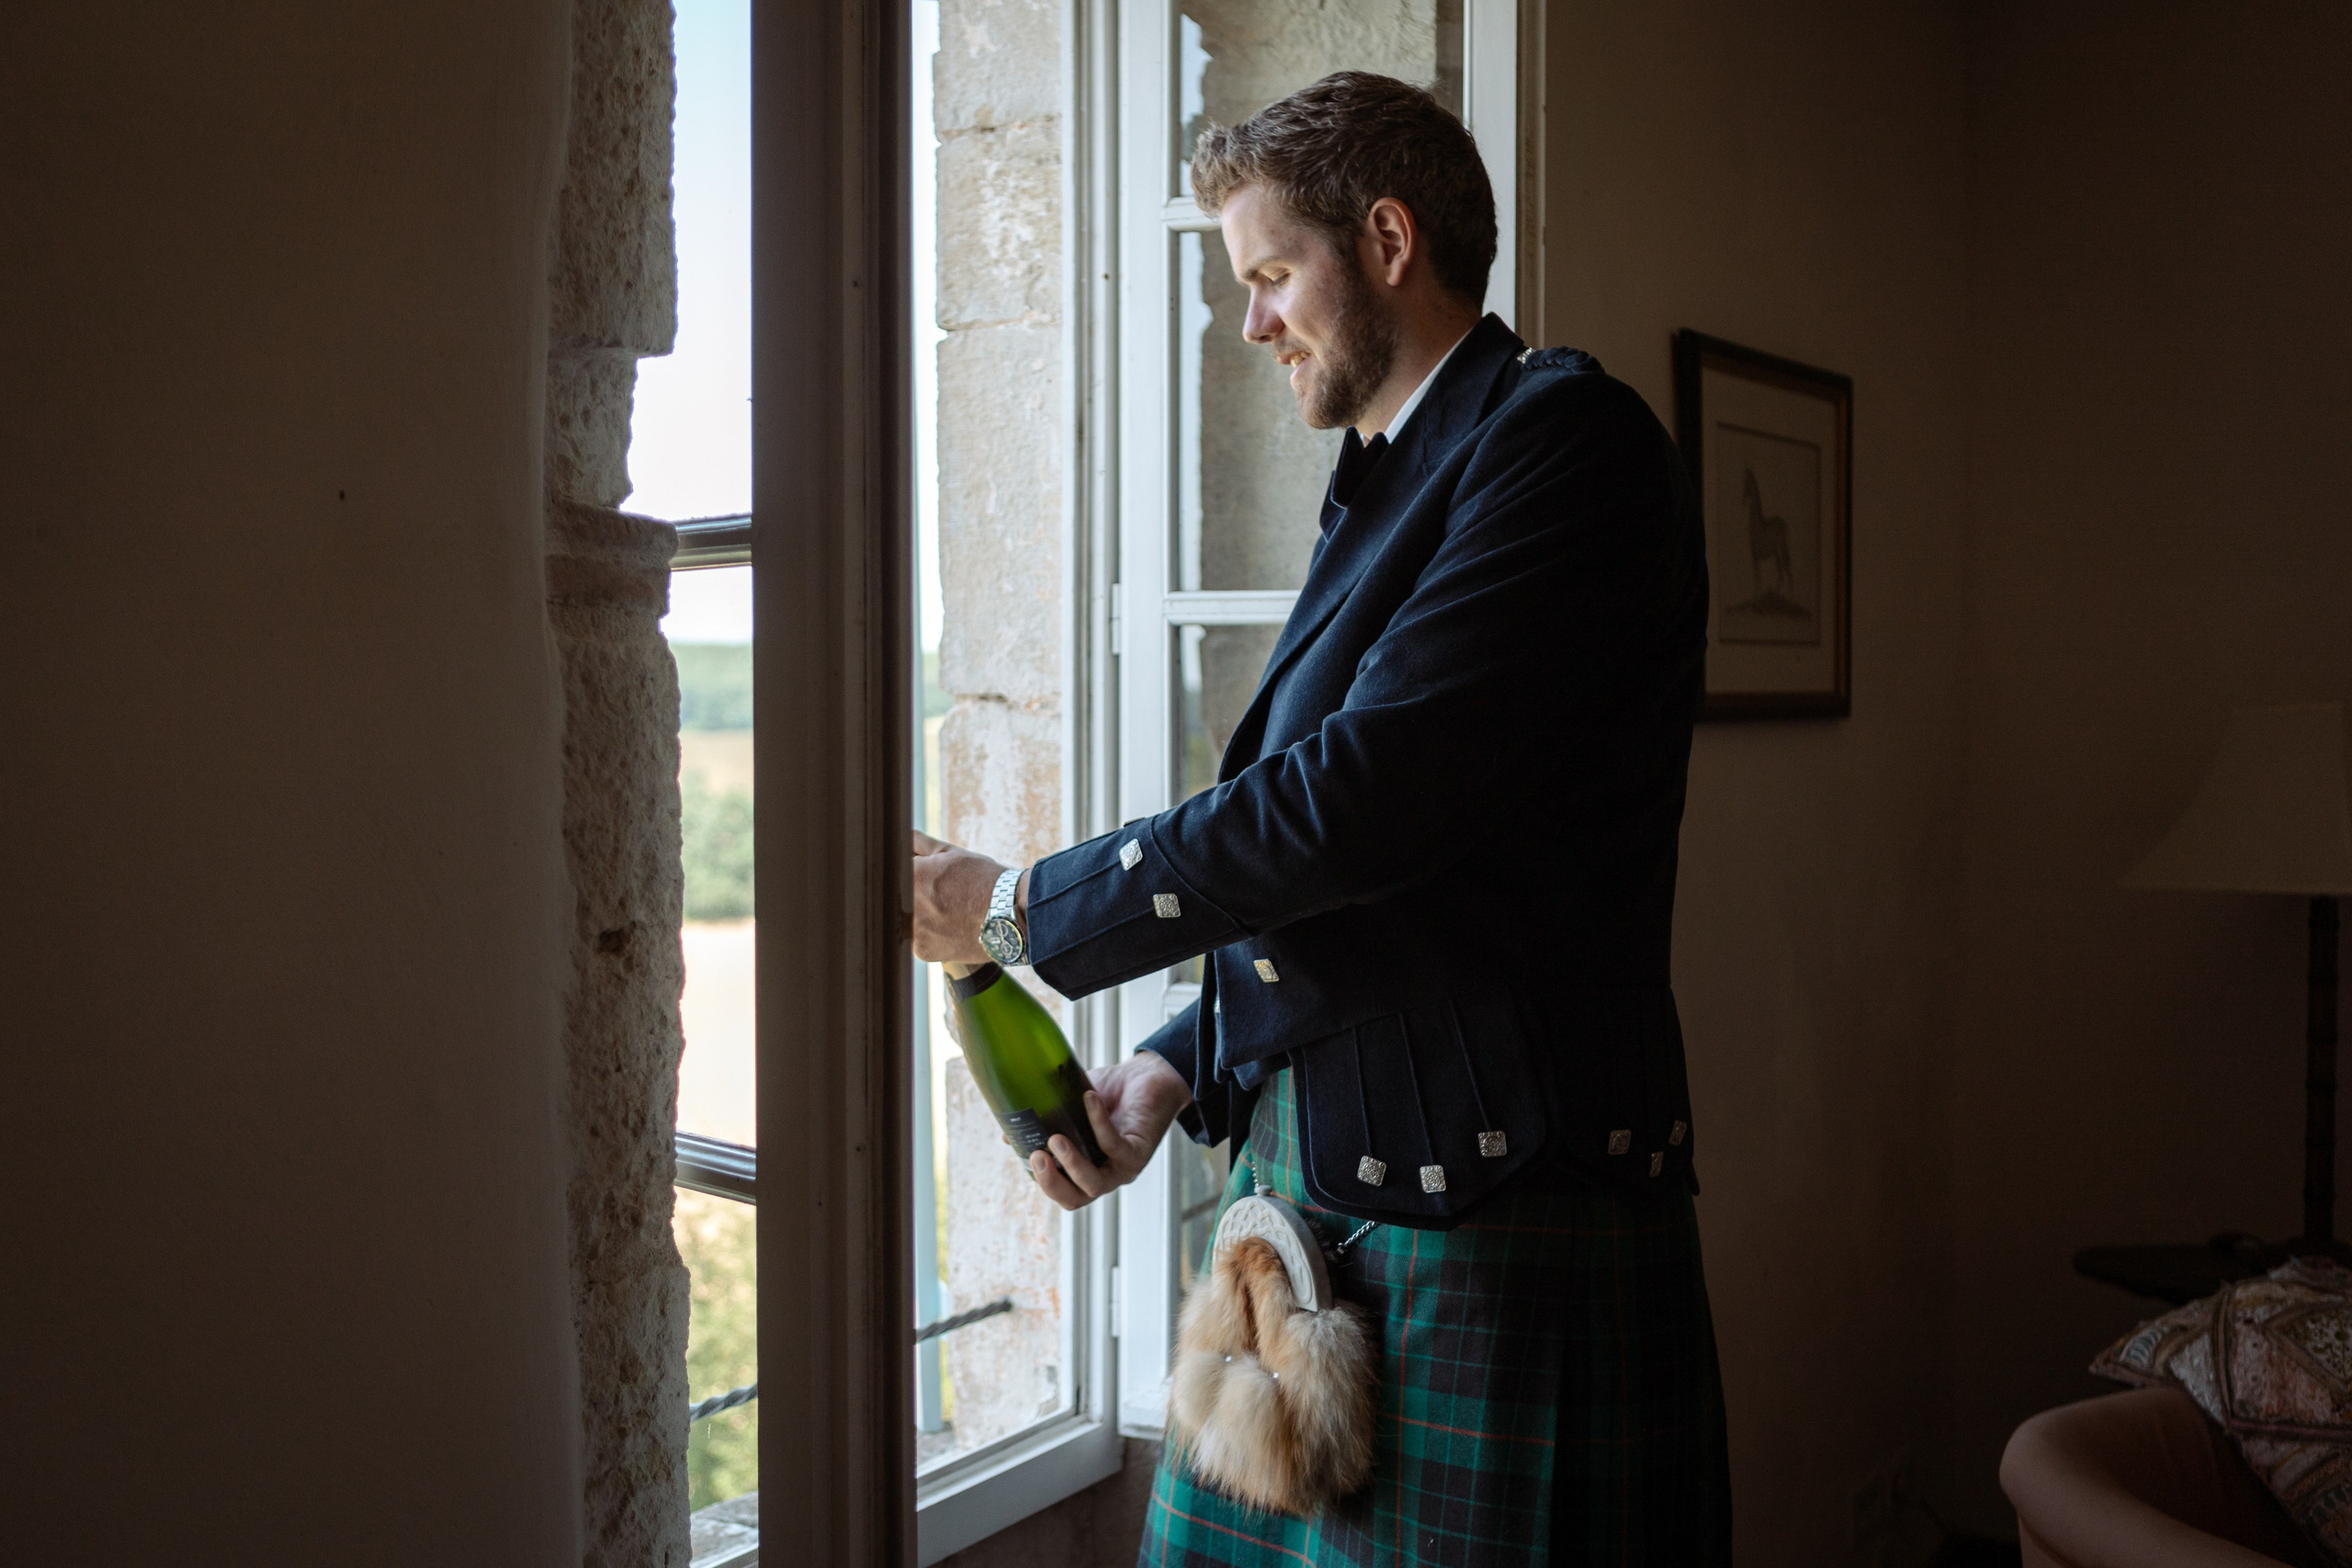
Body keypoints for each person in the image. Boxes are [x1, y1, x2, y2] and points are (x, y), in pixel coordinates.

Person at [912, 70, 1730, 1566]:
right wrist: (1175, 1066)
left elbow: (1356, 809)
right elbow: (1371, 875)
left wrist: (1017, 905)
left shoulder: (1563, 447)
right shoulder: (1391, 479)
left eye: (1272, 275)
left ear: (1391, 241)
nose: (1252, 324)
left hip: (1494, 1224)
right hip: (1327, 1204)